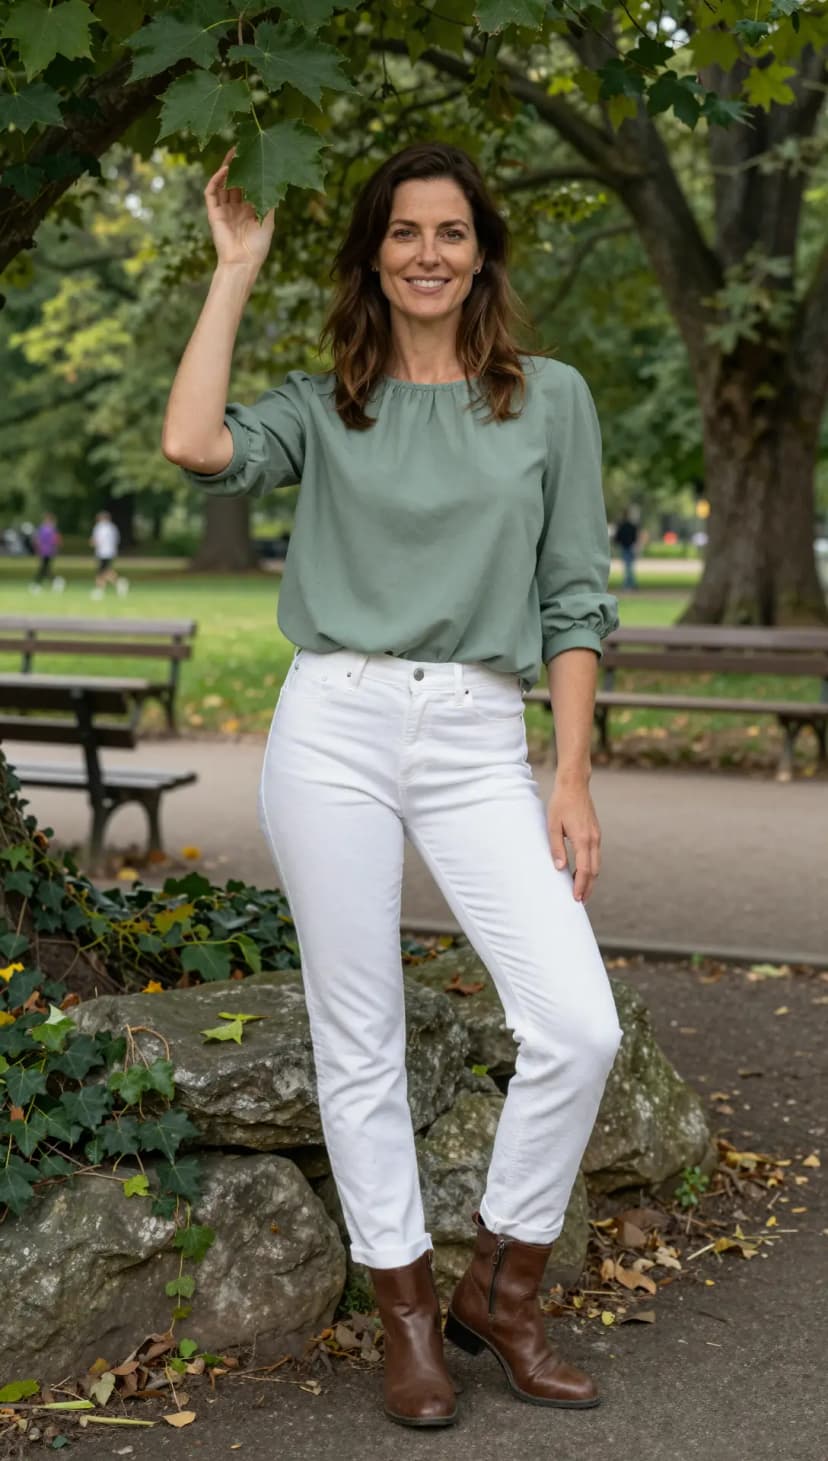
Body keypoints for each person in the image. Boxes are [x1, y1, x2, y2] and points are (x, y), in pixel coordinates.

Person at [162, 141, 623, 1429]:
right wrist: (237, 268)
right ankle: (408, 1318)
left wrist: (572, 776)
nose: (431, 253)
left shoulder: (555, 400)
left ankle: (505, 1286)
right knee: (356, 1036)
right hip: (336, 730)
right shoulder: (329, 405)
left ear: (484, 254)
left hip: (480, 735)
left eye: (455, 233)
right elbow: (193, 439)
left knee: (578, 1025)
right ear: (376, 253)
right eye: (407, 232)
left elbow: (575, 596)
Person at [89, 510, 128, 598]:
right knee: (104, 570)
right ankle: (103, 588)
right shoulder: (113, 527)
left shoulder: (99, 527)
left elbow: (96, 540)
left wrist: (92, 543)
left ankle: (115, 584)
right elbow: (117, 540)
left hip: (102, 552)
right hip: (110, 552)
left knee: (101, 571)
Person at [30, 513, 62, 591]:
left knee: (43, 568)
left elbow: (56, 540)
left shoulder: (51, 529)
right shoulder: (43, 528)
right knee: (45, 568)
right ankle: (55, 581)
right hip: (44, 551)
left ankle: (37, 584)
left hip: (49, 552)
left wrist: (55, 548)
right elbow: (37, 540)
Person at [613, 507, 640, 590]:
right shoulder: (630, 526)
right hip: (629, 547)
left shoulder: (622, 526)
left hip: (626, 547)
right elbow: (635, 537)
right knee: (629, 567)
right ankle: (630, 584)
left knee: (628, 567)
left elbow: (617, 537)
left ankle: (628, 584)